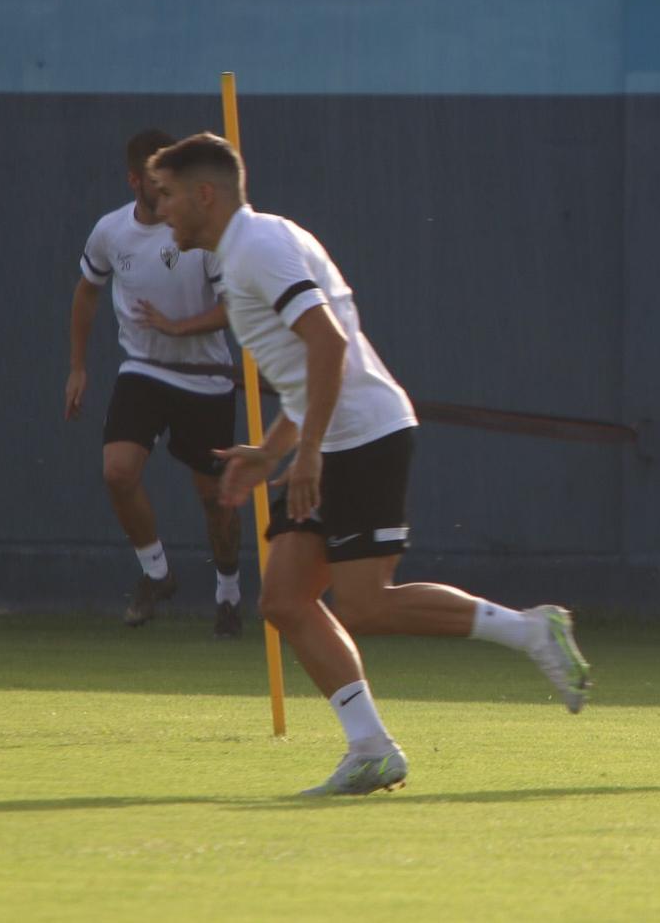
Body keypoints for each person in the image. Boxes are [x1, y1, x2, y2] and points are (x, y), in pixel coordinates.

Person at [148, 132, 591, 796]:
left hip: (362, 438)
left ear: (203, 194)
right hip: (337, 436)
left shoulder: (259, 248)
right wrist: (273, 450)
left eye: (168, 195)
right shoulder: (254, 246)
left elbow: (328, 345)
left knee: (364, 603)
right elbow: (311, 371)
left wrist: (306, 453)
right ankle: (371, 748)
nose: (162, 211)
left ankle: (532, 630)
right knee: (285, 599)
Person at [66, 129, 244, 636]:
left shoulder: (196, 232)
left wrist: (178, 326)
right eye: (156, 182)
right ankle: (156, 571)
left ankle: (229, 591)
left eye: (173, 182)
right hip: (143, 369)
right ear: (133, 180)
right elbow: (86, 294)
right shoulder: (110, 232)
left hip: (204, 378)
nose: (166, 193)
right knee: (118, 471)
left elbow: (233, 307)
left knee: (215, 500)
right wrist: (78, 366)